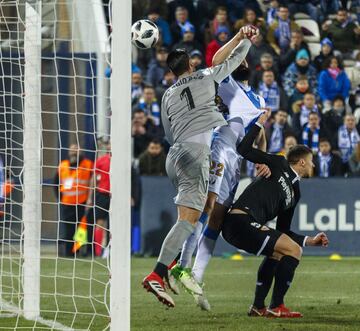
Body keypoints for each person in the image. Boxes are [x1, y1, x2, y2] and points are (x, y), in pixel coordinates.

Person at [142, 26, 259, 308]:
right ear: (191, 64)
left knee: (193, 214)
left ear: (171, 72)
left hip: (175, 156)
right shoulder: (205, 76)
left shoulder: (167, 94)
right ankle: (158, 273)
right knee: (189, 220)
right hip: (196, 155)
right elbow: (232, 60)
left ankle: (169, 269)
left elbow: (168, 133)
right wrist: (245, 40)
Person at [172, 56, 270, 310]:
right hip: (219, 150)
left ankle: (196, 276)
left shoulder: (259, 101)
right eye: (239, 59)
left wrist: (262, 159)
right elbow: (217, 59)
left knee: (217, 218)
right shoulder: (226, 82)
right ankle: (181, 266)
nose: (242, 61)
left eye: (246, 59)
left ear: (252, 67)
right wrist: (240, 40)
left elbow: (259, 134)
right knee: (207, 207)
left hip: (235, 163)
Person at [222, 110, 329, 318]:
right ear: (302, 162)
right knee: (293, 251)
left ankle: (258, 306)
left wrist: (310, 240)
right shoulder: (278, 163)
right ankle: (277, 305)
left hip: (248, 226)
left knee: (281, 252)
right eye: (312, 161)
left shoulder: (295, 194)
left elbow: (283, 231)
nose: (314, 165)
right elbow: (244, 149)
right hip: (238, 220)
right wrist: (259, 124)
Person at [54, 144, 94, 257]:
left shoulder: (88, 164)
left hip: (82, 202)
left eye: (76, 150)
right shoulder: (63, 165)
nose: (74, 153)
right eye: (72, 151)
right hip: (67, 203)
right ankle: (69, 253)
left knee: (82, 229)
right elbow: (55, 183)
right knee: (68, 230)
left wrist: (90, 199)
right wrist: (60, 198)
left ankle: (83, 252)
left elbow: (93, 181)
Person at [86, 141, 111, 257]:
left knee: (114, 225)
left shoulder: (122, 160)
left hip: (116, 196)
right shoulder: (101, 160)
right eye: (110, 144)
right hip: (102, 195)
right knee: (100, 223)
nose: (110, 146)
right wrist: (90, 198)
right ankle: (97, 251)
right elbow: (94, 179)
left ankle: (110, 250)